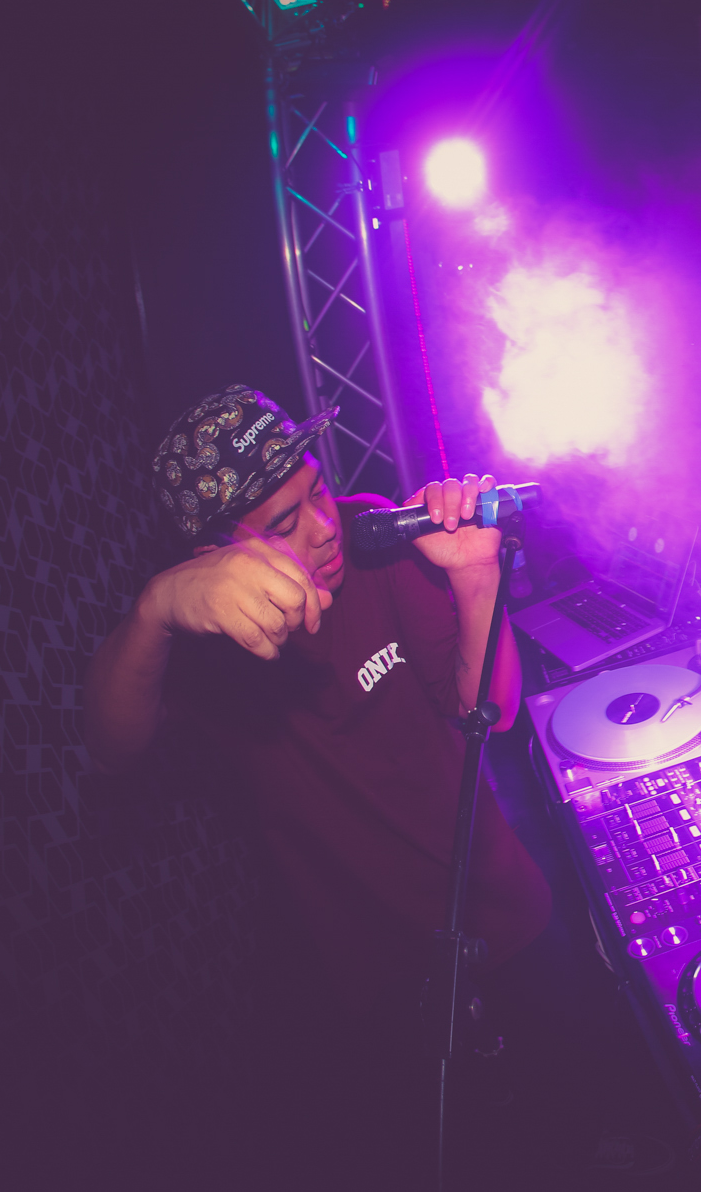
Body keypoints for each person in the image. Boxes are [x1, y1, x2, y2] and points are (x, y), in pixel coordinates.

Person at [85, 385, 551, 1042]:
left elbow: (489, 713)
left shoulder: (372, 534)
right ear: (212, 559)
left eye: (318, 490)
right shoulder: (196, 640)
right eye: (283, 525)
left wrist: (475, 577)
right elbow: (109, 750)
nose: (325, 526)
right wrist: (154, 609)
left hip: (496, 903)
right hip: (380, 971)